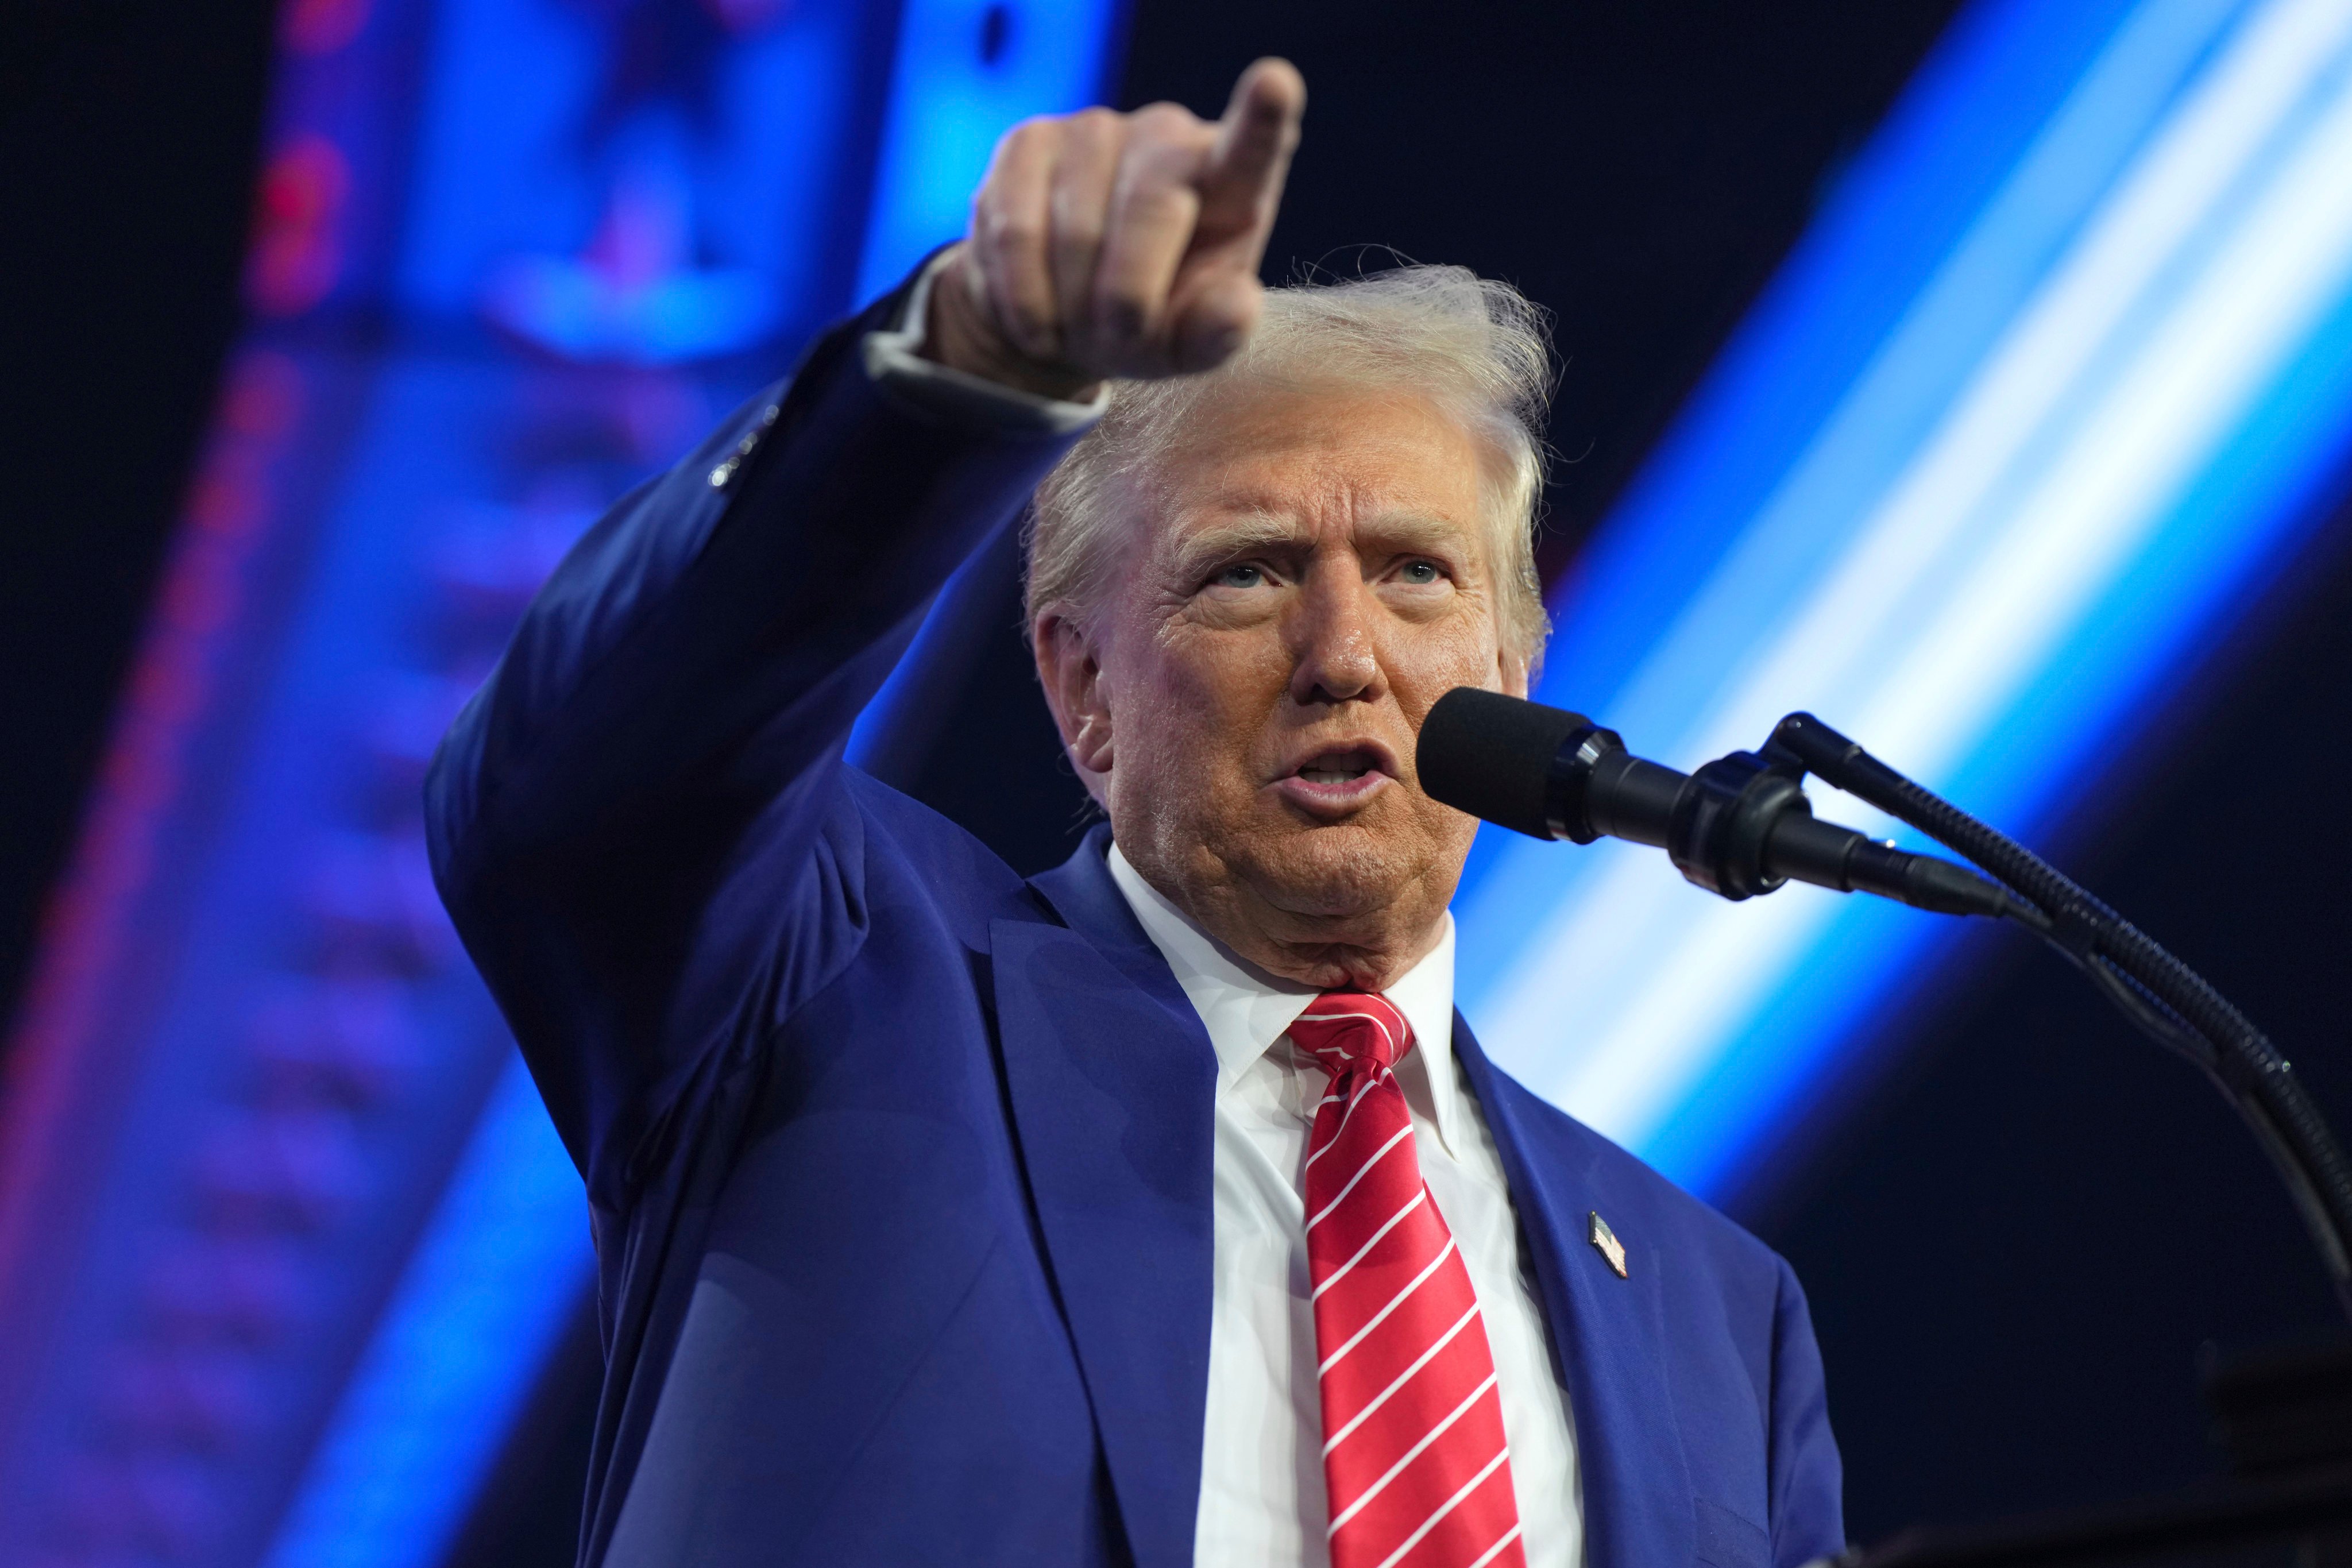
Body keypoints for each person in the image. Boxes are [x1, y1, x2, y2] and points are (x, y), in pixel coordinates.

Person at [427, 57, 1843, 1568]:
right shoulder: (835, 987)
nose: (1345, 655)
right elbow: (583, 780)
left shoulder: (1718, 1314)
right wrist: (961, 369)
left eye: (1420, 573)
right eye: (1248, 571)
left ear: (1514, 662)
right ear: (1082, 688)